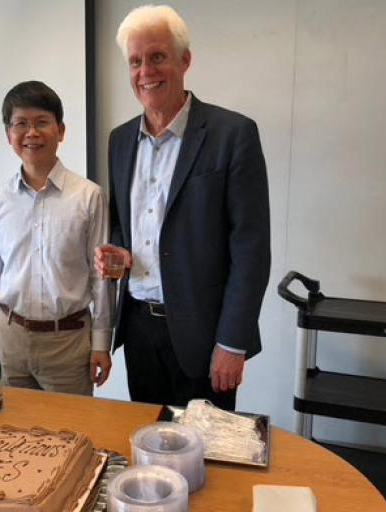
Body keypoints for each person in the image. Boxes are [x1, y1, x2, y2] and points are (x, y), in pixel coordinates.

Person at [95, 5, 270, 409]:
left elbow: (252, 249)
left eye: (157, 57)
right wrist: (118, 253)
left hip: (206, 335)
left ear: (184, 60)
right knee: (152, 448)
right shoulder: (119, 140)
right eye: (135, 61)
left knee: (208, 460)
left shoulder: (233, 134)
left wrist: (233, 342)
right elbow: (123, 228)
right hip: (139, 329)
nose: (145, 71)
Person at [0, 80, 114, 396]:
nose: (31, 133)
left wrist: (102, 342)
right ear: (9, 134)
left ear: (60, 131)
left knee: (70, 436)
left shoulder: (89, 197)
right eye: (20, 124)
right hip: (8, 337)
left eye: (41, 123)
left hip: (68, 343)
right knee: (11, 436)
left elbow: (101, 278)